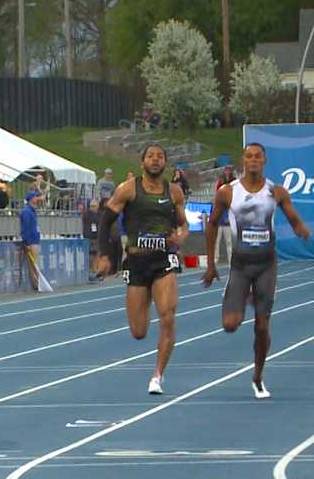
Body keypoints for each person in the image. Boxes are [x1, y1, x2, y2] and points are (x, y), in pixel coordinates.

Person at [202, 143, 311, 399]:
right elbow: (212, 225)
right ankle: (245, 296)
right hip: (240, 266)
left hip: (266, 265)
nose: (253, 160)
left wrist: (301, 230)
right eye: (249, 156)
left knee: (262, 327)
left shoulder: (277, 192)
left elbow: (294, 218)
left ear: (264, 161)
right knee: (230, 325)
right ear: (243, 160)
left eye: (258, 156)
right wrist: (210, 265)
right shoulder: (227, 192)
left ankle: (258, 377)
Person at [96, 144, 188, 395]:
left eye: (160, 156)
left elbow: (183, 224)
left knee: (167, 316)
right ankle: (146, 298)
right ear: (142, 163)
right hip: (136, 262)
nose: (155, 160)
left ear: (165, 163)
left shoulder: (174, 192)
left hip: (164, 261)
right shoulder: (127, 189)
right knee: (138, 332)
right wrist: (104, 255)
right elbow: (105, 223)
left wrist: (180, 236)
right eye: (150, 156)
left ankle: (157, 375)